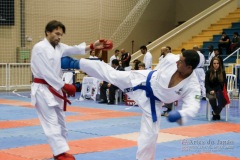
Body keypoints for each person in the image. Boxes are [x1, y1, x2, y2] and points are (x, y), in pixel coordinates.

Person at [61, 50, 201, 160]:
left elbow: (193, 106)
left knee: (151, 134)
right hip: (143, 80)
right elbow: (160, 69)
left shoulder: (193, 86)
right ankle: (75, 63)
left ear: (189, 67)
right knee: (112, 75)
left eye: (181, 61)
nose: (178, 61)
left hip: (153, 102)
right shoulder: (171, 59)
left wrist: (181, 114)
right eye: (179, 58)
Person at [31, 20, 111, 160]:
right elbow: (45, 72)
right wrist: (63, 86)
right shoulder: (39, 48)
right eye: (56, 34)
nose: (59, 37)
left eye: (61, 34)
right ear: (47, 32)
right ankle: (59, 153)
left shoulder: (59, 47)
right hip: (42, 89)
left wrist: (93, 45)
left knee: (61, 121)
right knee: (51, 122)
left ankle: (61, 150)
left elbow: (74, 49)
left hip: (54, 88)